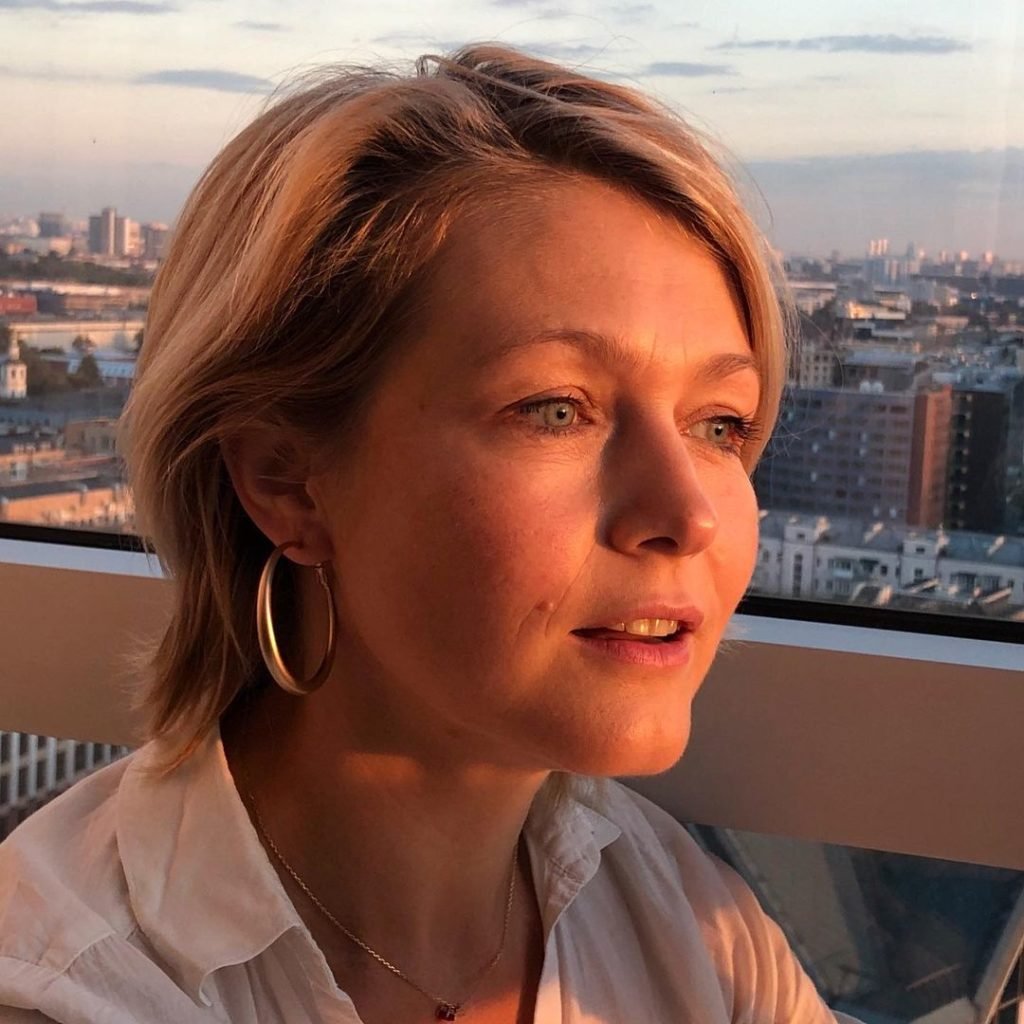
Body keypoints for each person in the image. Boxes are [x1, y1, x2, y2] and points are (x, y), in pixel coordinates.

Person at [0, 45, 861, 1024]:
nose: (690, 513)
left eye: (720, 425)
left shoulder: (689, 928)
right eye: (555, 410)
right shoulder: (72, 991)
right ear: (286, 482)